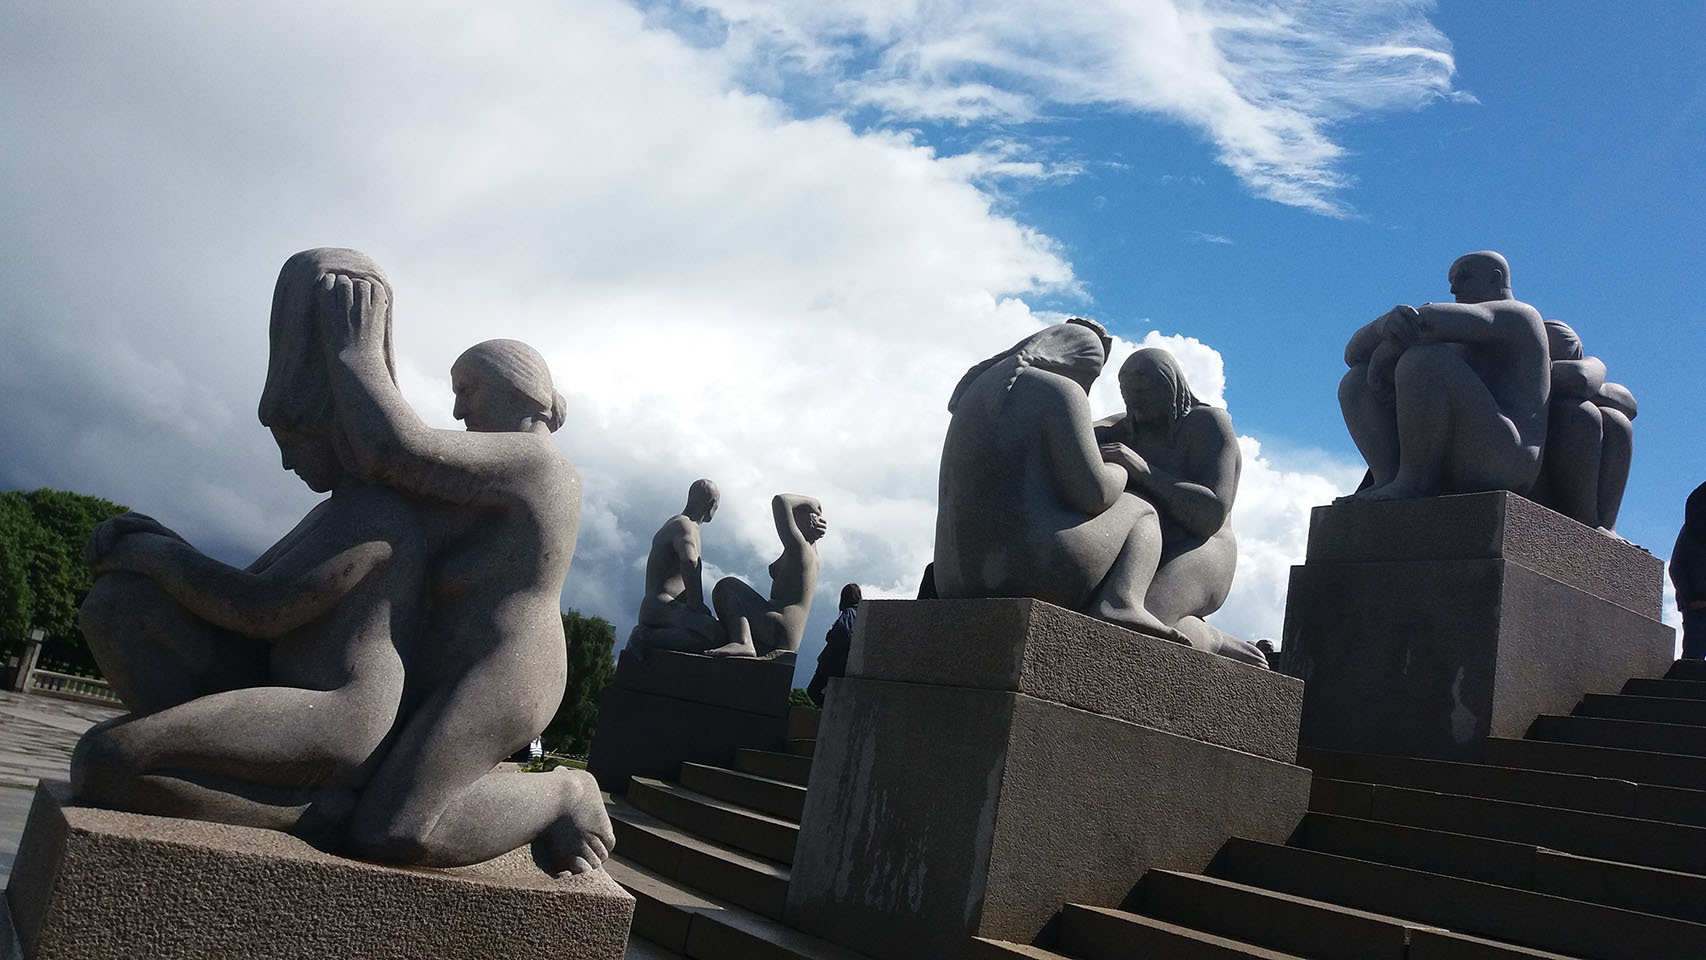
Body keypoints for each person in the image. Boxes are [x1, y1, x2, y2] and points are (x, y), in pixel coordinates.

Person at [69, 248, 428, 846]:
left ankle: (320, 815)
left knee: (106, 761)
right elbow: (236, 590)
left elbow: (260, 610)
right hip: (279, 682)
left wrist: (154, 554)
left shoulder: (378, 514)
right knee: (117, 604)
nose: (286, 458)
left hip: (336, 713)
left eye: (291, 436)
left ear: (330, 422)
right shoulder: (336, 511)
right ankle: (199, 755)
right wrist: (153, 539)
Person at [316, 268, 612, 875]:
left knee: (397, 831)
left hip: (509, 666)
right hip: (460, 662)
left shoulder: (535, 463)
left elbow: (399, 451)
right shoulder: (486, 484)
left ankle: (565, 792)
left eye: (468, 389)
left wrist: (357, 352)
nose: (456, 407)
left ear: (517, 392)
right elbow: (383, 473)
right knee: (362, 802)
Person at [933, 322, 1184, 643]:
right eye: (1091, 377)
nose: (1088, 390)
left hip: (952, 576)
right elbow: (1095, 494)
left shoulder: (979, 391)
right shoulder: (1060, 391)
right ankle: (1121, 602)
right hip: (1025, 569)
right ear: (1079, 362)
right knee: (1141, 510)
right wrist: (1122, 466)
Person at [1095, 348, 1265, 665]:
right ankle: (1199, 632)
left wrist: (1144, 471)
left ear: (1169, 387)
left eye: (1144, 394)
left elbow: (1210, 514)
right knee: (1105, 603)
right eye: (1127, 395)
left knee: (1143, 619)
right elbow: (1077, 428)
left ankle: (1212, 640)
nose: (1135, 403)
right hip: (1146, 543)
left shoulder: (1208, 424)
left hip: (1204, 548)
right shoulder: (1126, 427)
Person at [1338, 251, 1550, 502]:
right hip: (1456, 455)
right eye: (1451, 281)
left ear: (1495, 279)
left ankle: (1413, 482)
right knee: (1356, 381)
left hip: (1506, 459)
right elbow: (1352, 355)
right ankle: (1388, 478)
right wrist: (1380, 326)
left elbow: (1427, 321)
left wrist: (1385, 353)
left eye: (1464, 278)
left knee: (1423, 360)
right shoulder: (1455, 333)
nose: (1453, 289)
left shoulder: (1520, 316)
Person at [1531, 319, 1636, 533]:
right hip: (1530, 470)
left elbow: (1629, 405)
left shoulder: (1580, 376)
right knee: (1580, 413)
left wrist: (1590, 372)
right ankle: (1586, 520)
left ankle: (1605, 525)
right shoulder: (1517, 364)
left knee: (1617, 422)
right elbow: (1580, 379)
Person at [707, 494, 827, 657]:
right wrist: (816, 508)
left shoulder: (800, 548)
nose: (791, 519)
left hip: (780, 626)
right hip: (785, 629)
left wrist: (812, 502)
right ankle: (742, 640)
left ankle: (743, 642)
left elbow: (780, 501)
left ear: (807, 521)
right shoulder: (810, 551)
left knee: (727, 586)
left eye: (795, 515)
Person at [624, 479, 723, 658]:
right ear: (712, 504)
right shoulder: (684, 525)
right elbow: (690, 561)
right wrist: (696, 604)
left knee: (713, 632)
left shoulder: (684, 525)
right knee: (717, 636)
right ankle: (646, 637)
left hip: (670, 607)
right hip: (661, 607)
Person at [806, 583, 861, 706]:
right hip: (842, 664)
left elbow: (843, 631)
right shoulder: (859, 614)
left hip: (831, 664)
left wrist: (829, 635)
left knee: (813, 691)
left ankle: (831, 710)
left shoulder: (849, 612)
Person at [1672, 484, 1706, 659]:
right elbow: (1677, 568)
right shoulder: (1692, 530)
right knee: (1693, 660)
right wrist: (1691, 600)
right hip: (1697, 607)